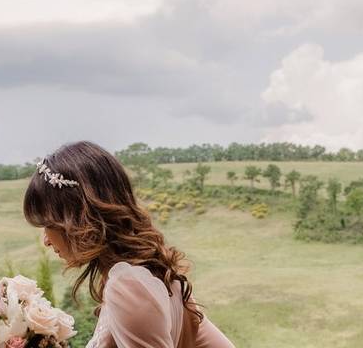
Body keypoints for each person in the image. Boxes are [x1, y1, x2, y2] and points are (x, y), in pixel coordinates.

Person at [23, 141, 235, 348]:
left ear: (79, 218)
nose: (46, 240)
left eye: (48, 224)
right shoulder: (153, 274)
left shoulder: (129, 287)